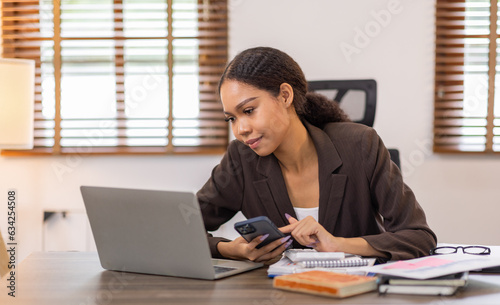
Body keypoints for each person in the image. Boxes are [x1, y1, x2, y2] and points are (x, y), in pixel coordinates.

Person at [197, 46, 436, 264]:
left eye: (249, 110)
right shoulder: (241, 160)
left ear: (285, 96)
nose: (240, 129)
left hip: (358, 293)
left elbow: (418, 237)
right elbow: (181, 228)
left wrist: (338, 244)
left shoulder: (361, 145)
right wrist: (229, 249)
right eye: (231, 118)